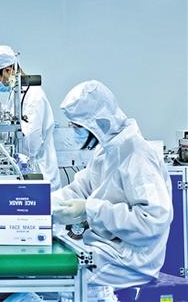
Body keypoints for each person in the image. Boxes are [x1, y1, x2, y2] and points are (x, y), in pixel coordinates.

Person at [52, 80, 172, 289]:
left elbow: (152, 221)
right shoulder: (105, 151)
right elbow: (79, 190)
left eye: (77, 126)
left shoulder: (137, 155)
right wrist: (41, 206)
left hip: (130, 262)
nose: (73, 131)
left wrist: (91, 210)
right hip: (105, 248)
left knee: (52, 281)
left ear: (99, 122)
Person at [0, 45, 61, 190]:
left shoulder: (34, 97)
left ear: (8, 70)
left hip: (39, 176)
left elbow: (30, 146)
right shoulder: (16, 93)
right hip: (26, 175)